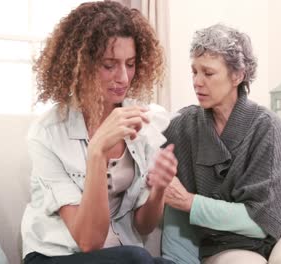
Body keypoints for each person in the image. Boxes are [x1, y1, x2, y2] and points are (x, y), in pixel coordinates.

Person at [20, 2, 176, 263]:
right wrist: (97, 152)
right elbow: (89, 241)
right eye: (109, 65)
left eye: (130, 64)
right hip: (57, 255)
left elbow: (144, 226)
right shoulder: (47, 134)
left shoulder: (140, 121)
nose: (124, 78)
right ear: (81, 65)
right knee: (136, 258)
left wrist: (158, 189)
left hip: (119, 253)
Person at [161, 24, 281, 264]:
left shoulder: (266, 126)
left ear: (237, 76)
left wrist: (190, 202)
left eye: (208, 73)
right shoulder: (183, 126)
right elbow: (145, 160)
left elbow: (265, 220)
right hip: (226, 245)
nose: (197, 82)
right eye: (194, 72)